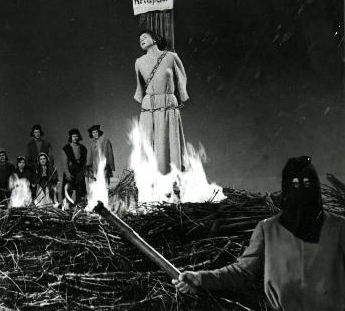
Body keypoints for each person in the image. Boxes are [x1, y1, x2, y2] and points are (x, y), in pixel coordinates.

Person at [173, 156, 345, 311]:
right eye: (294, 184)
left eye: (308, 184)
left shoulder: (339, 228)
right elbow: (241, 272)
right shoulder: (268, 229)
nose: (301, 191)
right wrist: (200, 278)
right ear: (286, 188)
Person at [134, 29, 189, 175]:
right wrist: (141, 98)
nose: (142, 40)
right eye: (140, 39)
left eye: (145, 37)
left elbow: (181, 76)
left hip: (168, 102)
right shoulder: (139, 62)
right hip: (149, 106)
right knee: (148, 141)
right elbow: (139, 85)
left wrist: (182, 95)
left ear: (155, 40)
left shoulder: (171, 57)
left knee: (168, 139)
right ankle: (149, 178)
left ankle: (171, 177)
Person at [61, 128, 88, 206]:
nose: (75, 138)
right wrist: (67, 174)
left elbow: (85, 162)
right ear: (70, 137)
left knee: (80, 192)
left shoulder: (83, 148)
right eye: (73, 136)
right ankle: (67, 208)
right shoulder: (66, 148)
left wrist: (83, 173)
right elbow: (64, 163)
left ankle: (79, 208)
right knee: (68, 192)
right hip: (70, 172)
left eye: (76, 136)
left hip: (79, 173)